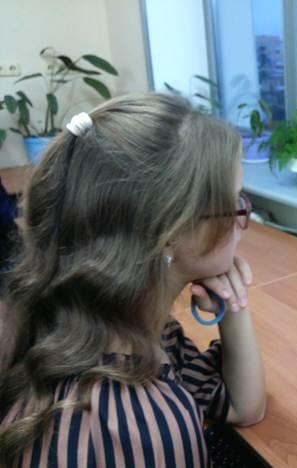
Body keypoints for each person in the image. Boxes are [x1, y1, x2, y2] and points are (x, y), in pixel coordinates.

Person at [0, 93, 266, 467]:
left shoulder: (125, 329)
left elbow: (243, 406)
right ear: (170, 231)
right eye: (235, 203)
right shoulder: (141, 426)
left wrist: (233, 306)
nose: (244, 219)